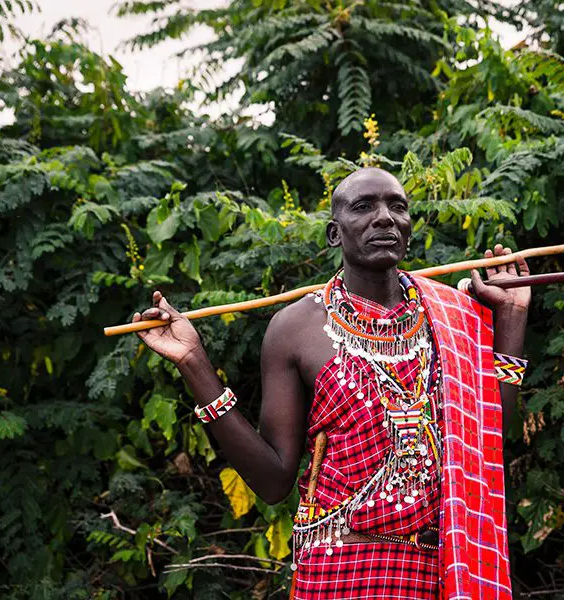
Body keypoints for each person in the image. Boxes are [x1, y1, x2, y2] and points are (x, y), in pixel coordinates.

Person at [132, 167, 530, 599]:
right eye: (364, 207)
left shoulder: (450, 317)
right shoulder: (297, 328)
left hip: (438, 574)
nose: (385, 218)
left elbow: (488, 444)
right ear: (333, 235)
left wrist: (511, 320)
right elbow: (272, 481)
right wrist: (194, 364)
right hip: (339, 572)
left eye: (398, 207)